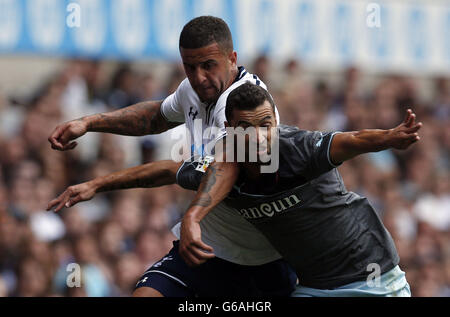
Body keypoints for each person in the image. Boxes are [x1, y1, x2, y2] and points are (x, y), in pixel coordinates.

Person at [47, 16, 296, 297]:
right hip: (207, 246)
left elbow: (222, 168)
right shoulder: (193, 89)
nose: (199, 77)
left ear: (232, 58)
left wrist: (192, 216)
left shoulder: (248, 104)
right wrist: (89, 123)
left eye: (208, 65)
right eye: (190, 67)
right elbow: (155, 117)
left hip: (259, 258)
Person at [186, 82, 421, 296]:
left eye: (265, 125)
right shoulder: (221, 169)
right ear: (230, 128)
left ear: (275, 124)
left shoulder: (300, 148)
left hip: (371, 277)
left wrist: (389, 137)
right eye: (246, 128)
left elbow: (353, 139)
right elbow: (170, 170)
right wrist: (190, 218)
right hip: (314, 287)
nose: (257, 137)